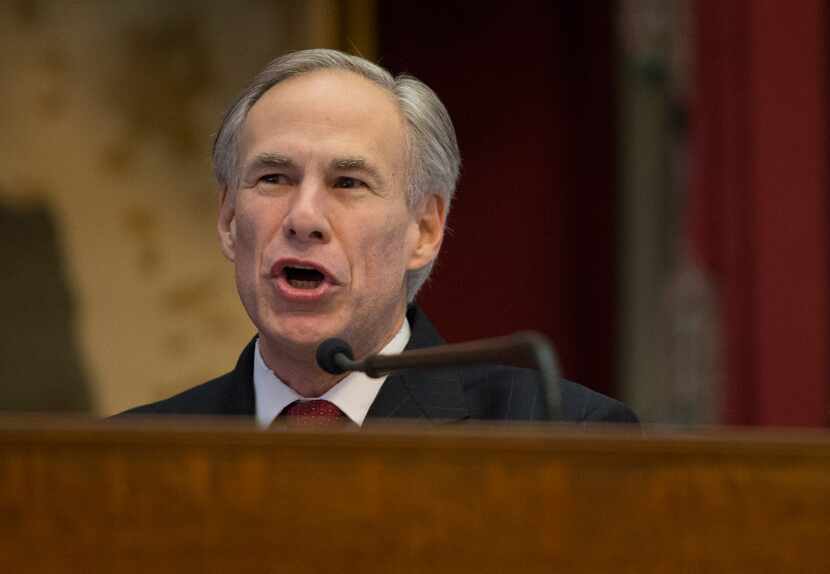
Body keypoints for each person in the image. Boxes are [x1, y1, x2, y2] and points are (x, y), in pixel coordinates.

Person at [124, 49, 637, 426]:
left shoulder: (556, 432)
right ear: (229, 217)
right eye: (274, 178)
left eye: (348, 182)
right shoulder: (125, 458)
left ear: (425, 229)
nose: (303, 218)